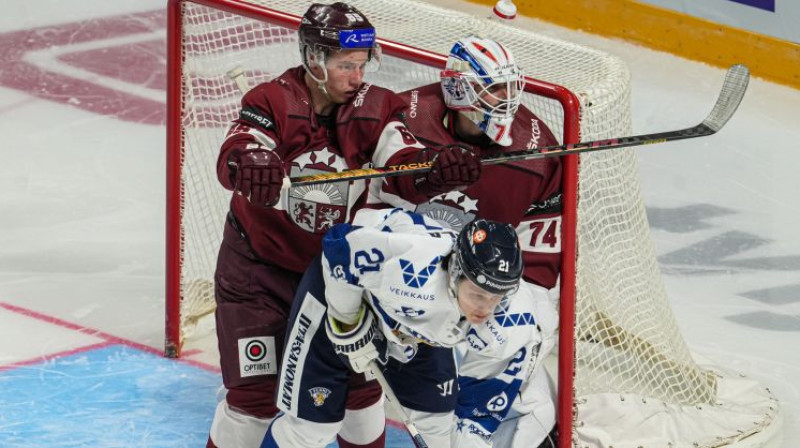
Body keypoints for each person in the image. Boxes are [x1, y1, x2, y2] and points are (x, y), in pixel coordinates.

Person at [206, 3, 481, 447]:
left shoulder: (376, 106)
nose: (357, 77)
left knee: (360, 388)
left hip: (332, 278)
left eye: (362, 64)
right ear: (314, 60)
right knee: (254, 398)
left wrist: (434, 171)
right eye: (345, 65)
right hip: (259, 273)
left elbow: (400, 165)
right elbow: (237, 148)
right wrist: (249, 162)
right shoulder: (270, 100)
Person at [369, 36, 563, 447]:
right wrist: (429, 173)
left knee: (518, 356)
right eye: (492, 88)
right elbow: (376, 199)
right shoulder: (406, 116)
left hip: (483, 287)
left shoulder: (538, 153)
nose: (506, 99)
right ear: (458, 89)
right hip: (410, 273)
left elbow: (539, 271)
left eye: (510, 87)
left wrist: (510, 317)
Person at [261, 208, 557, 448]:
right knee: (311, 430)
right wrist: (347, 319)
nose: (486, 308)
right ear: (455, 273)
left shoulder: (511, 320)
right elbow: (340, 246)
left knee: (440, 434)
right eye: (478, 294)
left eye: (496, 297)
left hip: (418, 333)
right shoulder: (413, 265)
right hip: (341, 291)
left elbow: (476, 415)